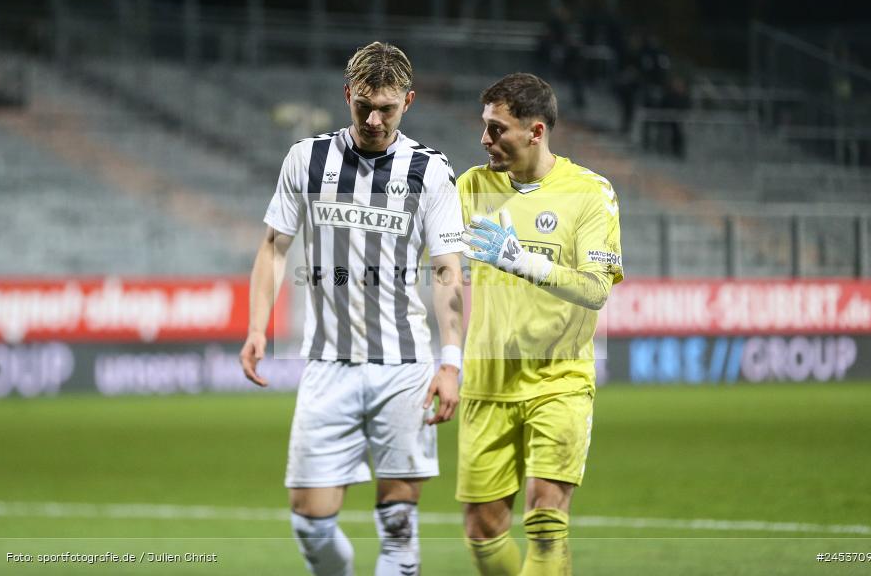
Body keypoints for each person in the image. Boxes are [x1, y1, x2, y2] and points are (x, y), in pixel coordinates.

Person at [239, 42, 465, 576]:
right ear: (347, 95)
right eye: (363, 104)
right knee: (310, 523)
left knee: (398, 528)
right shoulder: (306, 158)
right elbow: (273, 248)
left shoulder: (430, 171)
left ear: (408, 101)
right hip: (327, 366)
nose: (372, 118)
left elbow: (448, 269)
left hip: (405, 367)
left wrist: (451, 360)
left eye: (386, 107)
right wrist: (256, 328)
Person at [457, 73, 623, 575]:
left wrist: (525, 262)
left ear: (535, 131)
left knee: (546, 521)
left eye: (496, 129)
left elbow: (596, 289)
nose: (485, 139)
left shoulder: (590, 193)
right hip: (487, 379)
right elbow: (439, 265)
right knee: (483, 532)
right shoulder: (471, 186)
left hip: (560, 378)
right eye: (485, 127)